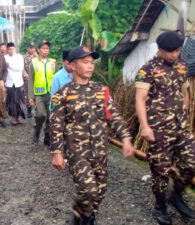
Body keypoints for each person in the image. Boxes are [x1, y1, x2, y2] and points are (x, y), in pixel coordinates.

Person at [50, 46, 135, 225]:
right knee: (88, 190)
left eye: (92, 63)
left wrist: (126, 138)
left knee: (100, 190)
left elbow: (114, 115)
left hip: (99, 150)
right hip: (76, 151)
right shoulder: (63, 94)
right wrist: (57, 152)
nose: (90, 66)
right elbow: (56, 123)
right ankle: (80, 213)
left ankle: (87, 216)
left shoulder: (101, 90)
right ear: (73, 66)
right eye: (85, 62)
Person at [135, 31, 195, 225]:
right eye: (171, 51)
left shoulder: (181, 67)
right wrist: (144, 126)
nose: (175, 54)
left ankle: (176, 194)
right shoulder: (147, 69)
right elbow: (140, 98)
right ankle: (160, 206)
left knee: (192, 161)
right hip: (158, 129)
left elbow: (185, 90)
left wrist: (185, 110)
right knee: (160, 170)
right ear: (161, 49)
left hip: (180, 126)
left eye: (178, 50)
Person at [28, 40, 57, 145]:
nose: (45, 50)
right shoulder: (34, 62)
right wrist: (31, 96)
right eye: (43, 48)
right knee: (40, 115)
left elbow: (56, 78)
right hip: (39, 94)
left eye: (47, 48)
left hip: (51, 93)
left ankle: (47, 137)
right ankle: (37, 131)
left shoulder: (53, 62)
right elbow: (31, 80)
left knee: (50, 117)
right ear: (39, 50)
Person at [4, 42, 27, 125]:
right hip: (9, 82)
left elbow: (20, 68)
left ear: (15, 49)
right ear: (7, 50)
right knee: (11, 101)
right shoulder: (4, 58)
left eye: (12, 49)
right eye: (9, 49)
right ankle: (13, 118)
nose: (11, 51)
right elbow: (3, 70)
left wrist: (9, 65)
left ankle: (18, 117)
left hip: (18, 82)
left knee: (20, 100)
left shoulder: (19, 57)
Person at [23, 42, 38, 118]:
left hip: (37, 78)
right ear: (27, 48)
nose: (32, 49)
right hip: (27, 79)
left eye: (33, 48)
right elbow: (22, 68)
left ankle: (37, 109)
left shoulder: (37, 57)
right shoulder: (23, 57)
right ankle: (29, 109)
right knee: (28, 94)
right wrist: (25, 75)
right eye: (30, 48)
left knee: (37, 93)